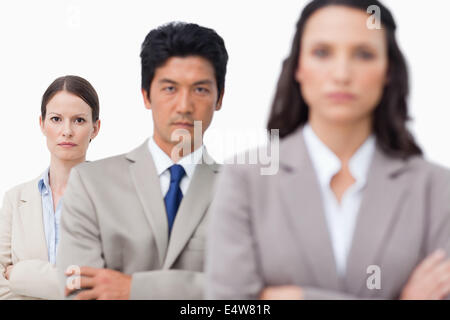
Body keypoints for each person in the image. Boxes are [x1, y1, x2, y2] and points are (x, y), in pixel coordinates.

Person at [206, 0, 450, 300]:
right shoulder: (245, 177)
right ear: (298, 67)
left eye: (364, 54)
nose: (342, 74)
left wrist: (294, 297)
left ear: (388, 70)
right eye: (322, 53)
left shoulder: (437, 187)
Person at [56, 22, 228, 300]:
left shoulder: (245, 192)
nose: (184, 105)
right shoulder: (91, 183)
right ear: (146, 95)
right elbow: (77, 290)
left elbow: (251, 296)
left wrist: (132, 288)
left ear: (219, 98)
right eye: (170, 88)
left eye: (200, 90)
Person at [0, 75, 101, 299]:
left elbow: (107, 286)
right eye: (56, 119)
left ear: (95, 128)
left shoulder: (117, 197)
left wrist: (21, 275)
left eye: (79, 120)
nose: (67, 131)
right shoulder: (15, 200)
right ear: (42, 124)